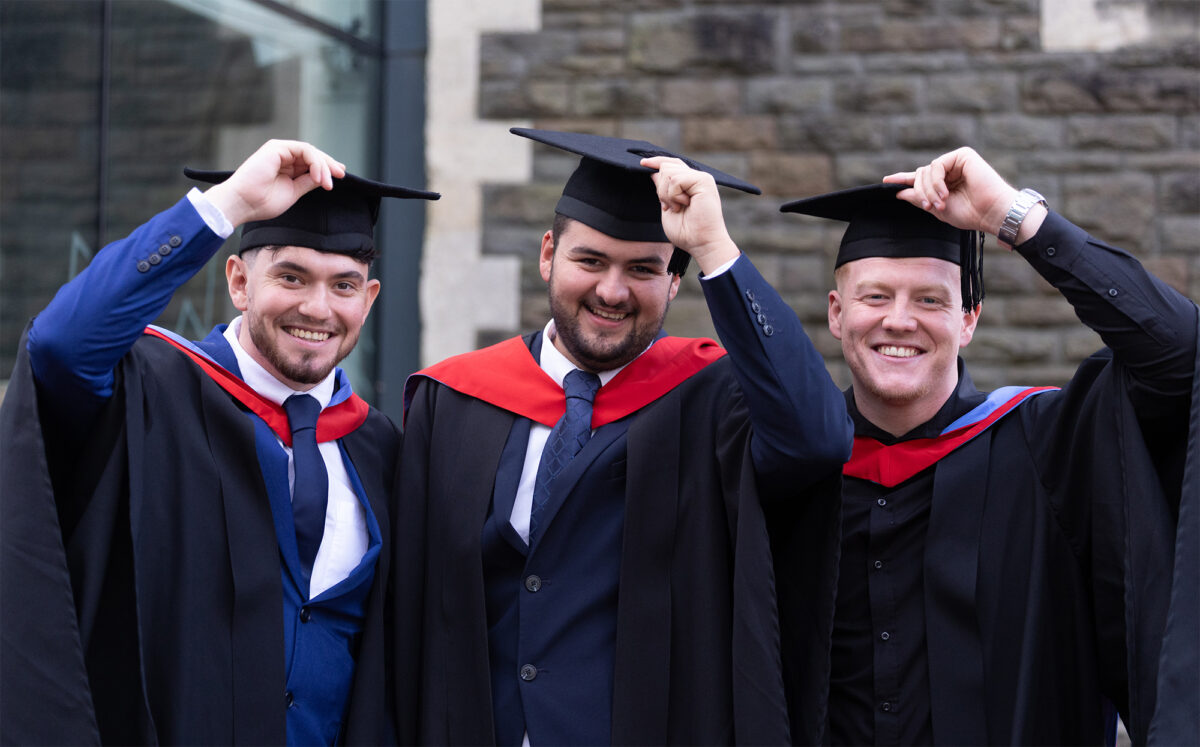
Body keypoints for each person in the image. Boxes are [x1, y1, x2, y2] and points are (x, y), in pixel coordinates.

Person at [391, 128, 853, 745]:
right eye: (590, 261)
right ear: (548, 253)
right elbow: (411, 612)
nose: (612, 291)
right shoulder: (454, 400)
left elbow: (818, 439)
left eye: (642, 269)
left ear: (674, 283)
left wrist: (716, 247)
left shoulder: (713, 401)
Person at [0, 139, 439, 745]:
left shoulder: (380, 447)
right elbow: (60, 346)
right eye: (291, 276)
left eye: (343, 285)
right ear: (238, 281)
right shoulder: (154, 391)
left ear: (368, 300)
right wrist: (227, 205)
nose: (318, 307)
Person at [779, 146, 1199, 745]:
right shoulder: (788, 466)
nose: (899, 320)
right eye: (876, 297)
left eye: (930, 299)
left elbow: (1181, 355)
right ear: (837, 314)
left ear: (970, 319)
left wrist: (1014, 215)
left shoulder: (1045, 444)